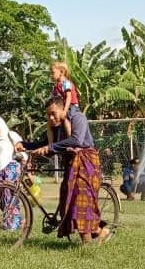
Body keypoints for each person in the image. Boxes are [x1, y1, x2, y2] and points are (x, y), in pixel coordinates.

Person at [18, 97, 111, 245]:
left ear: (63, 109)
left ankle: (87, 247)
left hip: (86, 164)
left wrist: (50, 148)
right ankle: (100, 232)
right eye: (48, 115)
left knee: (80, 204)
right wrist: (25, 145)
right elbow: (47, 144)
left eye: (54, 113)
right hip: (71, 165)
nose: (51, 118)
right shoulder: (56, 126)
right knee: (68, 202)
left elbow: (76, 140)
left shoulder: (78, 118)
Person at [47, 61, 80, 145]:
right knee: (49, 123)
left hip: (71, 105)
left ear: (61, 72)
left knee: (66, 118)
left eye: (53, 73)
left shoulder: (66, 83)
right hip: (62, 107)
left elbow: (68, 97)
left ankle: (70, 141)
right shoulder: (55, 86)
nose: (51, 75)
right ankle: (50, 144)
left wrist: (65, 110)